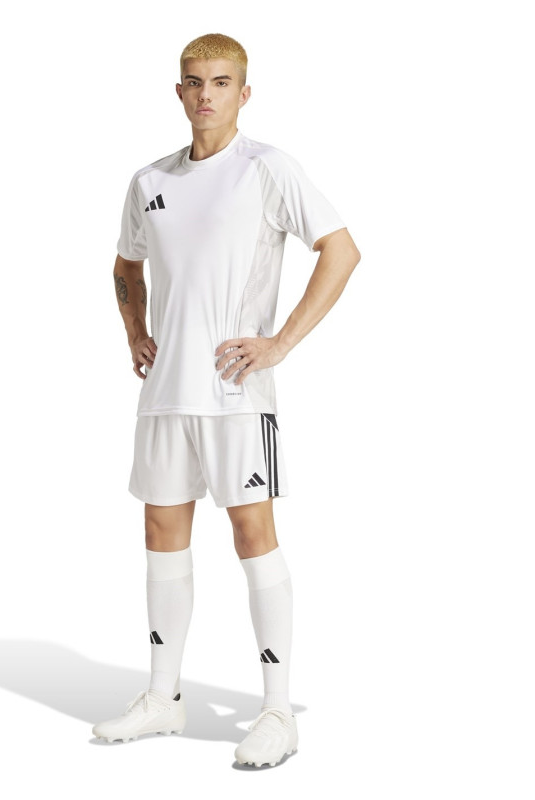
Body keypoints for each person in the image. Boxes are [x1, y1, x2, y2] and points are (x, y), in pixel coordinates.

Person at [92, 32, 361, 767]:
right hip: (166, 393)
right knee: (160, 530)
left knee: (252, 534)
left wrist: (279, 343)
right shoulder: (149, 179)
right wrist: (135, 331)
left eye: (219, 82)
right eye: (193, 81)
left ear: (244, 93)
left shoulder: (266, 169)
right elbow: (125, 265)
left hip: (237, 393)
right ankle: (163, 697)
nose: (204, 94)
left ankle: (277, 712)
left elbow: (341, 251)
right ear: (178, 91)